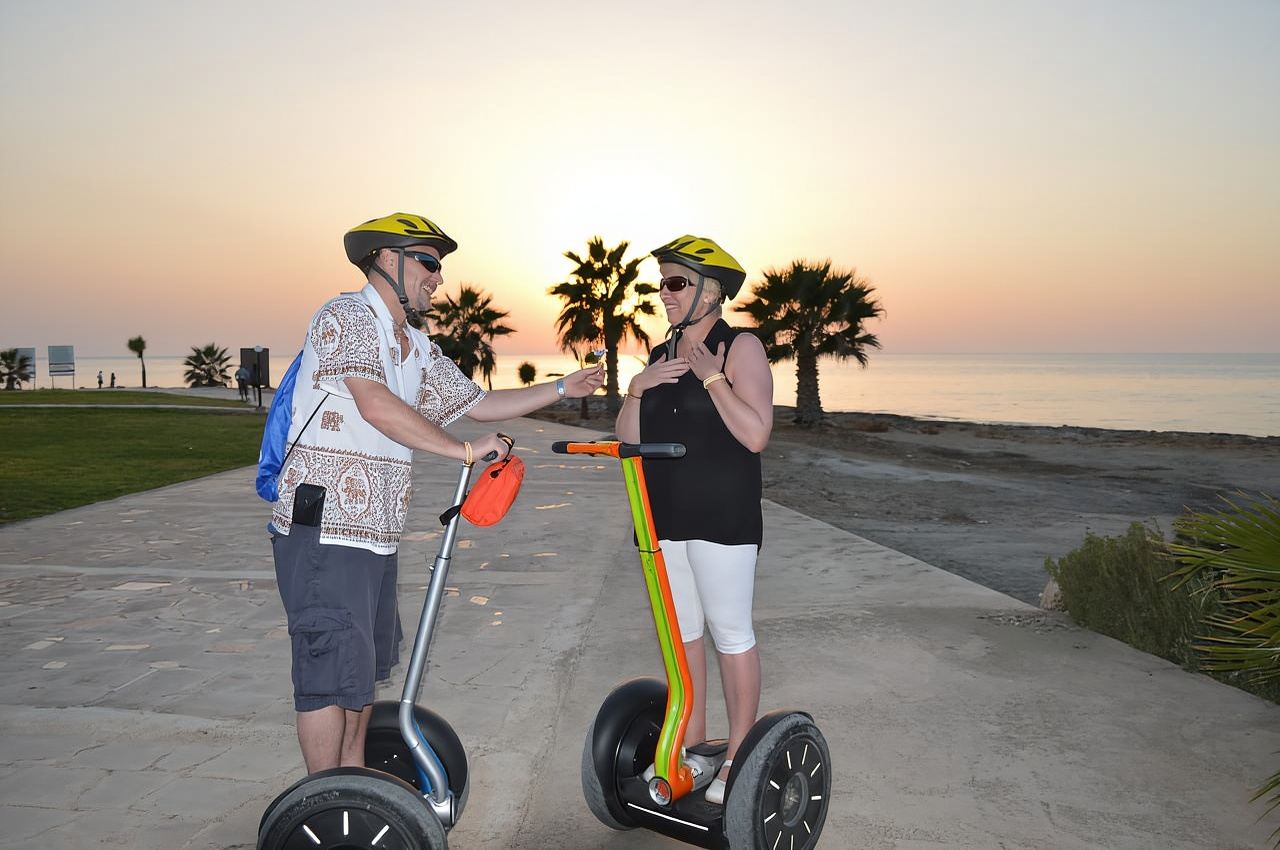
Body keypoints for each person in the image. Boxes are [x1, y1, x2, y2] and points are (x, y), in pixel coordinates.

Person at [271, 212, 604, 775]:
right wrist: (463, 452)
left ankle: (354, 795)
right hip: (325, 526)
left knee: (358, 682)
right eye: (428, 262)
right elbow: (375, 405)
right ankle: (325, 806)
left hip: (375, 535)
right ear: (385, 258)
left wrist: (561, 387)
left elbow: (479, 403)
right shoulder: (346, 316)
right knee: (327, 679)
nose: (437, 278)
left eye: (439, 266)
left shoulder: (415, 347)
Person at [614, 234, 773, 805]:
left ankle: (738, 755)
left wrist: (713, 379)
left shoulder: (741, 348)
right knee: (681, 636)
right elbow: (628, 442)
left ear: (712, 291)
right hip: (664, 520)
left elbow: (755, 434)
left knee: (731, 634)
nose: (665, 293)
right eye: (662, 283)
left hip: (722, 516)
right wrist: (634, 391)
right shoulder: (659, 357)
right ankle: (696, 740)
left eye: (677, 282)